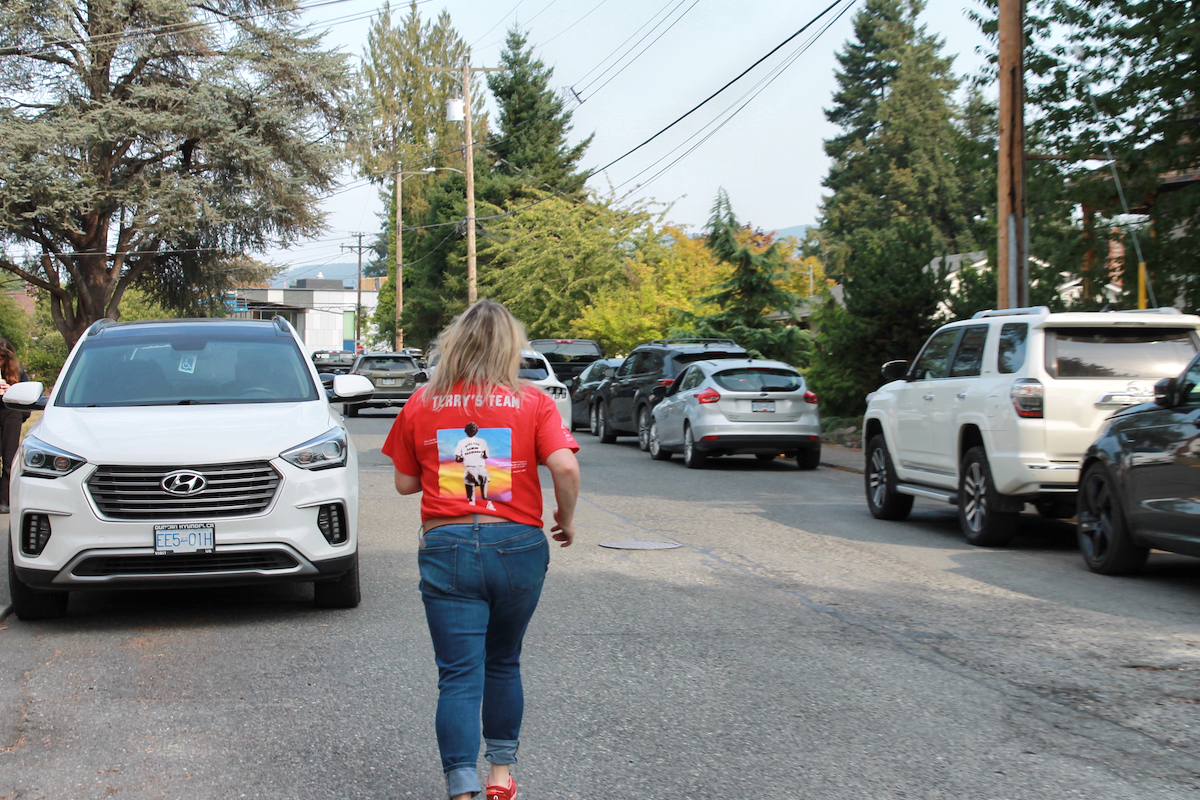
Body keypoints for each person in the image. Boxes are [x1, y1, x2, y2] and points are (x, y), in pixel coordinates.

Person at [381, 300, 580, 800]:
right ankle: (499, 774)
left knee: (458, 677)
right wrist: (565, 518)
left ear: (453, 344)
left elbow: (406, 484)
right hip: (517, 543)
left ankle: (461, 785)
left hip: (447, 544)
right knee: (503, 662)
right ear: (509, 348)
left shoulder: (422, 401)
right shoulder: (534, 401)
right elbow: (566, 468)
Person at [0, 339, 28, 515]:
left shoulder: (19, 373)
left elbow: (26, 406)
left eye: (2, 358)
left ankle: (6, 500)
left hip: (11, 414)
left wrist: (11, 391)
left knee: (10, 460)